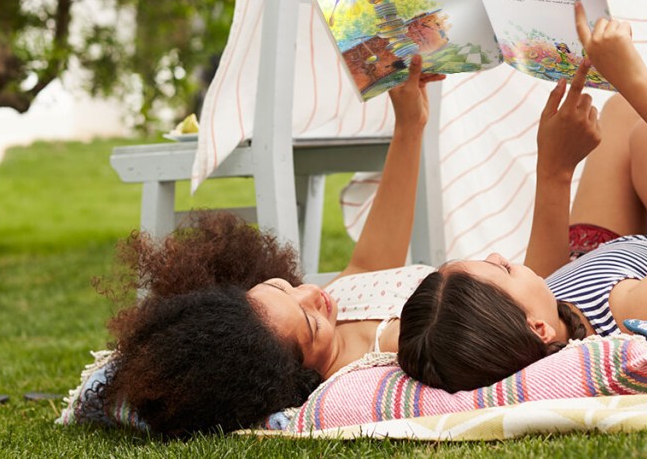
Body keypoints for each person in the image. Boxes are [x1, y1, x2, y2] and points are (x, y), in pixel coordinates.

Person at [396, 3, 647, 393]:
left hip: (621, 260)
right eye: (500, 270)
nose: (501, 256)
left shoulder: (541, 322)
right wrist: (632, 77)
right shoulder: (640, 318)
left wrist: (554, 166)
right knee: (639, 127)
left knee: (619, 117)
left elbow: (547, 272)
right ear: (538, 327)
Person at [99, 56, 443, 436]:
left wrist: (410, 124)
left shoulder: (330, 310)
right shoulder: (385, 357)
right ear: (297, 380)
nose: (313, 293)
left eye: (284, 287)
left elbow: (370, 264)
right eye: (311, 325)